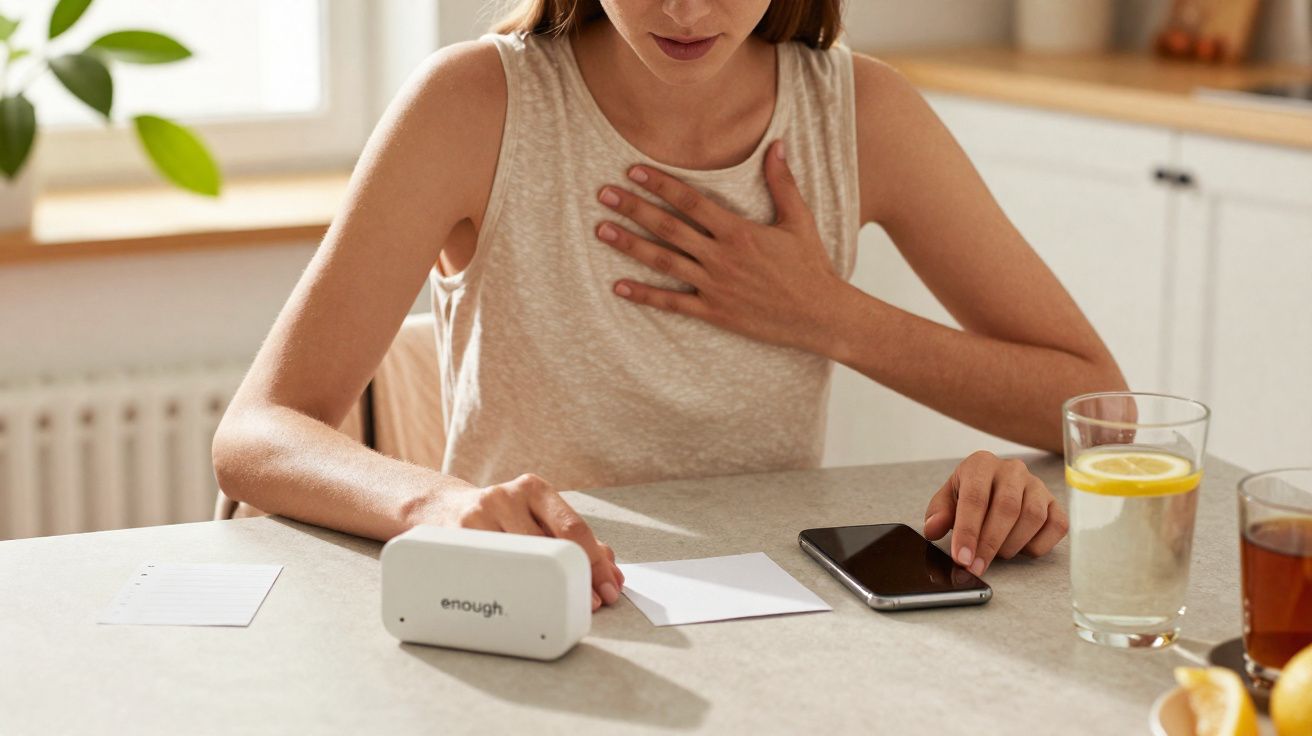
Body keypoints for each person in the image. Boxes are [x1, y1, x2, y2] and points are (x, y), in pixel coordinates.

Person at [213, 0, 1127, 612]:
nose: (687, 11)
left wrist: (827, 313)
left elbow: (1100, 406)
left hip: (775, 623)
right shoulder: (473, 104)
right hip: (538, 620)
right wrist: (435, 506)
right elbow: (257, 432)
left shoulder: (859, 114)